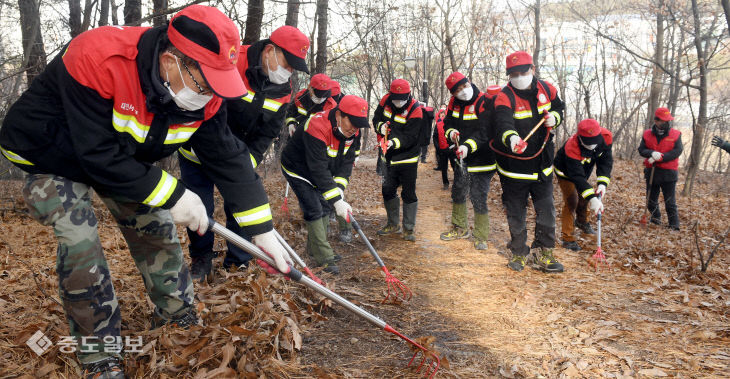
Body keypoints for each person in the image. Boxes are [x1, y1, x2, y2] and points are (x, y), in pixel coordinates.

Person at [0, 5, 292, 378]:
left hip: (118, 160)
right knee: (80, 240)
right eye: (204, 85)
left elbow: (228, 156)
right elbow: (96, 155)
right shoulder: (98, 58)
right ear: (170, 61)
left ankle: (177, 316)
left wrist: (261, 229)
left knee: (157, 225)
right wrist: (174, 193)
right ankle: (99, 355)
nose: (208, 97)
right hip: (47, 152)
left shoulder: (206, 91)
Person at [177, 25, 310, 282]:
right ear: (270, 51)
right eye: (288, 63)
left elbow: (268, 131)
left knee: (242, 208)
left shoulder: (283, 91)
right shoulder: (232, 61)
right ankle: (201, 258)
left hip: (239, 158)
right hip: (198, 152)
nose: (289, 72)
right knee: (200, 208)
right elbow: (208, 109)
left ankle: (238, 259)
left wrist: (248, 160)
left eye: (295, 67)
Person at [492, 51, 565, 273]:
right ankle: (518, 252)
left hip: (542, 165)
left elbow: (559, 108)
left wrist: (556, 117)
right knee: (516, 212)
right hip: (514, 168)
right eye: (513, 73)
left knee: (547, 211)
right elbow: (503, 123)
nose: (519, 76)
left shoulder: (547, 89)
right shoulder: (505, 96)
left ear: (532, 69)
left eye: (523, 71)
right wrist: (512, 138)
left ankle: (544, 252)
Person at [280, 95, 367, 274]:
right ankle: (324, 257)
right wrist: (336, 198)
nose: (355, 128)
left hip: (321, 170)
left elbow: (346, 163)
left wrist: (339, 190)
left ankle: (314, 250)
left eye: (359, 124)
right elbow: (317, 168)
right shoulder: (317, 126)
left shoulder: (353, 132)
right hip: (298, 168)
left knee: (326, 205)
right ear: (339, 115)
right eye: (352, 122)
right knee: (313, 208)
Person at [439, 72, 497, 250]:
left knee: (478, 196)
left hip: (483, 159)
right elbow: (447, 123)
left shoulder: (483, 101)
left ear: (469, 82)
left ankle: (481, 236)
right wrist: (451, 134)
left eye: (464, 86)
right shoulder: (453, 104)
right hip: (461, 158)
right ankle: (459, 227)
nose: (462, 91)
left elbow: (485, 132)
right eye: (457, 90)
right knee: (458, 191)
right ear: (453, 93)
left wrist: (468, 146)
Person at [372, 79, 425, 242]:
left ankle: (408, 228)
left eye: (401, 98)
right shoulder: (385, 101)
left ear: (408, 95)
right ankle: (392, 224)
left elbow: (411, 137)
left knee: (408, 193)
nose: (397, 102)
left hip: (407, 157)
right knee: (387, 190)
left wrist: (395, 142)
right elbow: (376, 118)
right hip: (387, 156)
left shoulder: (416, 110)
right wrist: (380, 126)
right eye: (395, 98)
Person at [554, 119, 613, 251]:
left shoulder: (606, 138)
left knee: (585, 197)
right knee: (572, 201)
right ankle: (567, 238)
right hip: (566, 172)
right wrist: (593, 198)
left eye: (594, 142)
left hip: (584, 170)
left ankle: (582, 222)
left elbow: (605, 162)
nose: (592, 145)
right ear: (580, 138)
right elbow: (577, 177)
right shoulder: (572, 146)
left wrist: (603, 183)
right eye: (588, 143)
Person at [638, 107, 683, 230]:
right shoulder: (647, 134)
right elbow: (641, 150)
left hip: (669, 172)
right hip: (652, 171)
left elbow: (677, 151)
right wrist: (651, 153)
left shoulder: (676, 134)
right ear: (656, 121)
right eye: (663, 120)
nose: (665, 123)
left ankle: (674, 225)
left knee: (670, 201)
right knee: (651, 199)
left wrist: (661, 157)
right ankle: (655, 218)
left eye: (667, 120)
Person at [285, 73, 337, 137]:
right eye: (319, 95)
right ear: (310, 88)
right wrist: (291, 124)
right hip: (298, 136)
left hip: (317, 141)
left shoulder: (331, 106)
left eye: (325, 95)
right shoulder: (300, 98)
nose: (321, 98)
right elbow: (291, 112)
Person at [432, 105, 455, 190]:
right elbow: (435, 137)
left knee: (454, 167)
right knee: (444, 168)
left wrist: (454, 147)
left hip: (451, 150)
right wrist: (437, 147)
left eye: (444, 114)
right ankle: (445, 183)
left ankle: (456, 184)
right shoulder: (437, 125)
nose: (442, 115)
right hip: (442, 150)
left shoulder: (451, 124)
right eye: (441, 114)